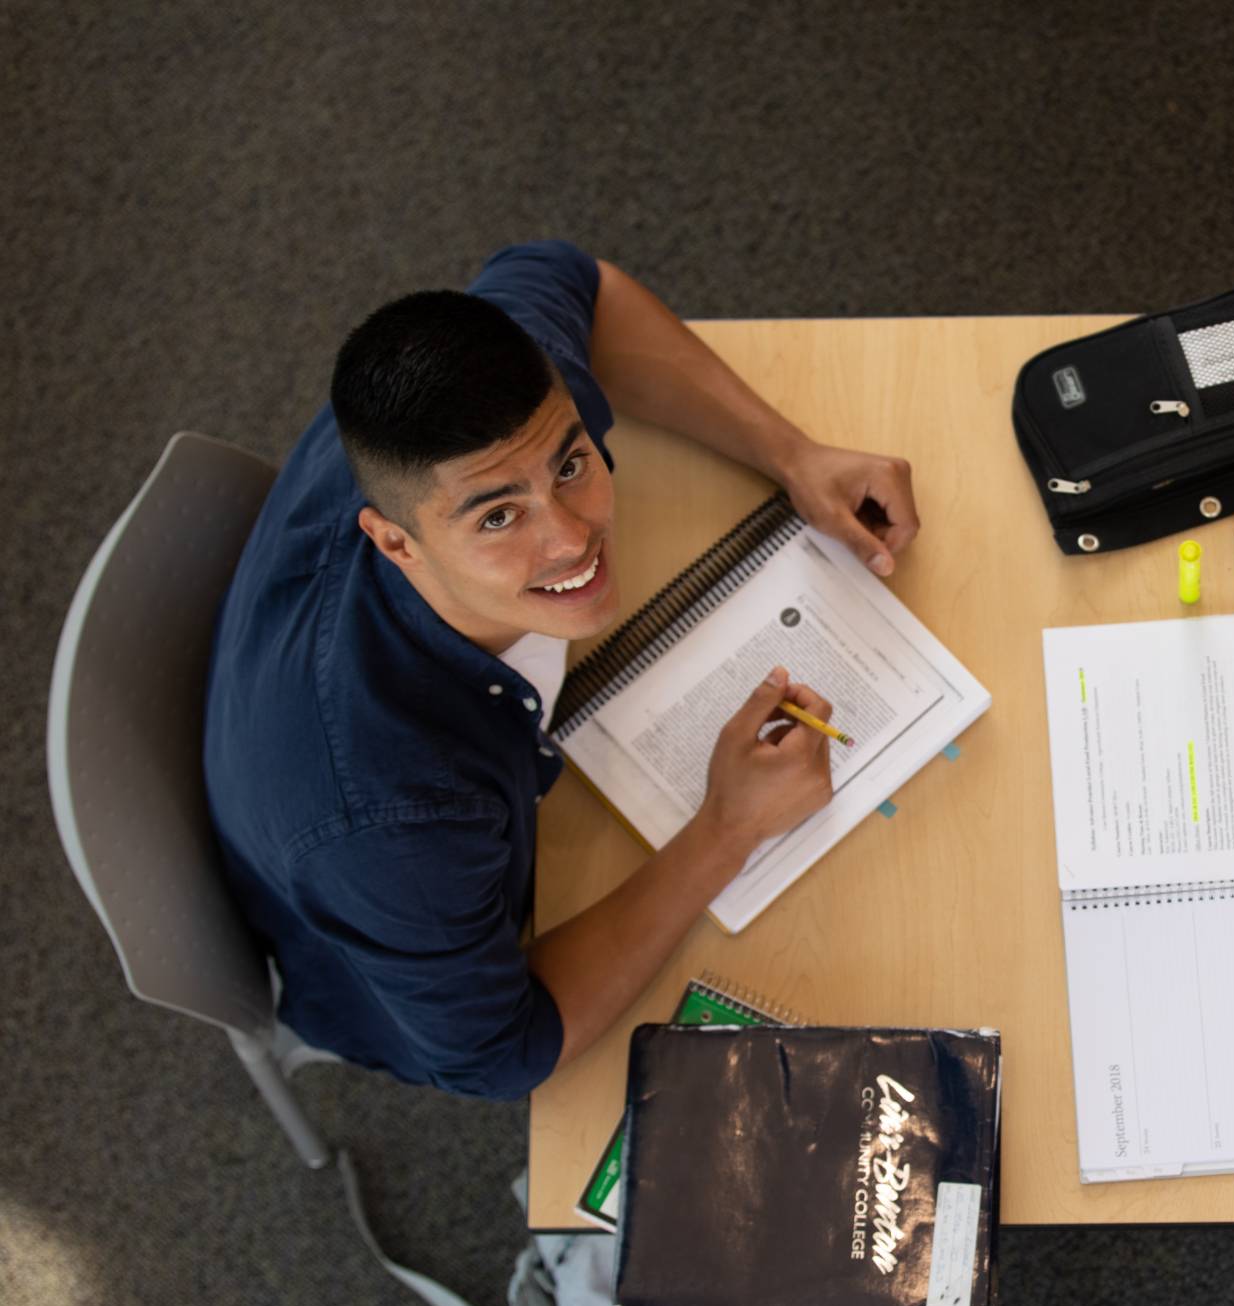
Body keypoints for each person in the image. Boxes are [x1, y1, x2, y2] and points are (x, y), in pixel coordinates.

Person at [205, 240, 920, 1100]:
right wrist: (726, 827)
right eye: (500, 517)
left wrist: (793, 455)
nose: (573, 537)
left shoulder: (494, 408)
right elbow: (500, 1054)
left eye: (572, 465)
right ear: (395, 542)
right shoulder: (393, 822)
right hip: (390, 947)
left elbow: (575, 277)